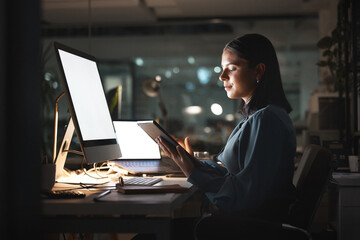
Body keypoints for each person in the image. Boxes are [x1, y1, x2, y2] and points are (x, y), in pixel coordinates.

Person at [156, 33, 296, 222]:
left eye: (232, 68)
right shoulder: (257, 117)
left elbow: (244, 197)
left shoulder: (266, 119)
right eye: (223, 69)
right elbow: (235, 176)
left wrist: (194, 173)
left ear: (259, 71)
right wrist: (198, 166)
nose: (222, 77)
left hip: (247, 228)